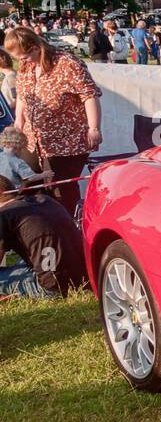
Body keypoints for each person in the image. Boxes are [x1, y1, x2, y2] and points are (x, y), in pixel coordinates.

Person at [3, 27, 102, 218]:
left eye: (22, 57)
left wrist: (94, 128)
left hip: (66, 142)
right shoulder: (26, 66)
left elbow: (89, 95)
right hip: (34, 140)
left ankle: (69, 229)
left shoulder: (67, 63)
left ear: (34, 47)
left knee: (60, 191)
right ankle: (39, 227)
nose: (19, 62)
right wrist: (19, 123)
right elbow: (23, 96)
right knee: (28, 184)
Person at [0, 169, 88, 299]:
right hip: (84, 275)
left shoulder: (5, 215)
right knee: (21, 261)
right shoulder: (44, 199)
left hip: (52, 287)